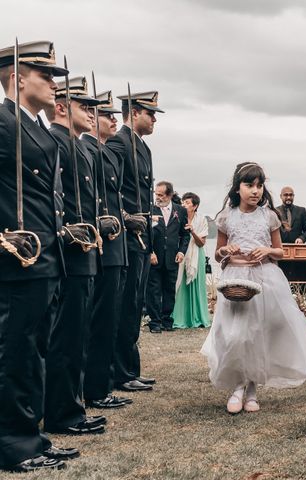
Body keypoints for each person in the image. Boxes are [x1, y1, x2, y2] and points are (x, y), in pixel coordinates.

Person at [201, 162, 306, 414]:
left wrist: (267, 250)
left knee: (257, 334)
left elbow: (280, 252)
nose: (255, 190)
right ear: (237, 188)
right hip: (235, 280)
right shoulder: (226, 216)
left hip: (265, 279)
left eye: (259, 185)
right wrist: (224, 250)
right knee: (234, 334)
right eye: (249, 185)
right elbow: (219, 255)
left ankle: (251, 390)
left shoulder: (269, 216)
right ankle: (237, 387)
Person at [0, 40, 78, 473]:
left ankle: (31, 436)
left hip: (46, 255)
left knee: (34, 351)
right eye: (45, 75)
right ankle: (13, 444)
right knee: (17, 352)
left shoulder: (37, 128)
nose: (53, 84)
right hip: (18, 258)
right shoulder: (2, 121)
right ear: (17, 76)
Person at [45, 76, 107, 435]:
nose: (92, 113)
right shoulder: (55, 140)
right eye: (85, 106)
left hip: (85, 250)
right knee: (65, 337)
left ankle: (71, 404)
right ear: (62, 107)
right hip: (68, 251)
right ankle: (62, 411)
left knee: (76, 334)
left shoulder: (78, 145)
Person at [108, 91, 164, 392]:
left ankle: (130, 368)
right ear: (134, 112)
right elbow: (112, 189)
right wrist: (126, 216)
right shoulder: (118, 142)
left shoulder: (143, 147)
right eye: (151, 113)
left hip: (143, 235)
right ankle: (120, 372)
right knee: (125, 303)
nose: (155, 119)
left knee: (134, 304)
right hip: (128, 234)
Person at [81, 90, 131, 409]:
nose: (113, 119)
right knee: (98, 319)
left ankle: (103, 381)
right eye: (105, 114)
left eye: (113, 114)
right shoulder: (85, 149)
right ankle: (95, 388)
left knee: (110, 317)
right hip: (102, 243)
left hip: (117, 242)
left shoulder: (106, 153)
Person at [146, 181, 189, 333]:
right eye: (156, 194)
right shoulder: (150, 209)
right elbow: (145, 233)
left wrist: (181, 251)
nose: (157, 197)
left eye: (160, 195)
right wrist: (150, 252)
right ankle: (155, 322)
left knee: (170, 289)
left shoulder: (181, 211)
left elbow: (185, 235)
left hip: (173, 257)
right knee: (154, 290)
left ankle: (166, 320)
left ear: (169, 195)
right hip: (154, 257)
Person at [172, 192, 211, 329]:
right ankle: (180, 317)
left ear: (195, 206)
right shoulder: (177, 217)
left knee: (197, 285)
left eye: (187, 203)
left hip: (196, 254)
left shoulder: (202, 220)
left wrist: (192, 231)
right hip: (180, 254)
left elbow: (201, 243)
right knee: (179, 284)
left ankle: (197, 317)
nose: (184, 205)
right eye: (183, 202)